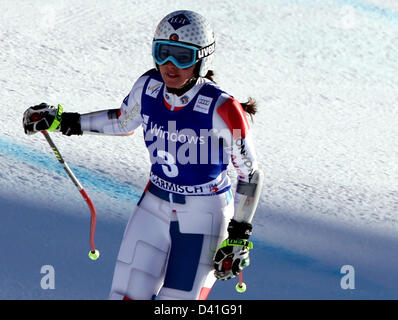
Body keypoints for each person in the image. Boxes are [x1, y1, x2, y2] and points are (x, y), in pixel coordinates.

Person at [23, 10, 263, 300]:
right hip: (154, 205)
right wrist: (65, 121)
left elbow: (249, 173)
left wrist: (239, 234)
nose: (170, 66)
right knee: (124, 296)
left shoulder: (222, 108)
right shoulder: (148, 87)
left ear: (202, 59)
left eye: (182, 57)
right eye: (163, 53)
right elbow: (123, 121)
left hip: (205, 213)